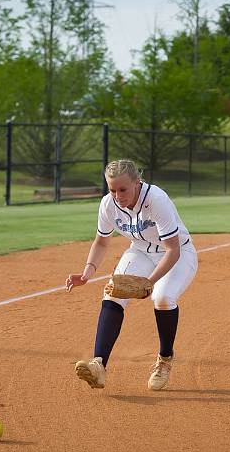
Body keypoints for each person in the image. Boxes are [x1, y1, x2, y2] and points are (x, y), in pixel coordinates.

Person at [65, 159, 198, 390]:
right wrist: (87, 272)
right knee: (113, 294)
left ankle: (165, 360)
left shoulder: (156, 199)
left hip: (178, 253)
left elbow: (172, 249)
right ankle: (98, 366)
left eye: (123, 189)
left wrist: (148, 282)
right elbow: (101, 242)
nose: (117, 195)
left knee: (163, 298)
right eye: (112, 189)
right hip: (139, 251)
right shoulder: (108, 204)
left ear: (137, 182)